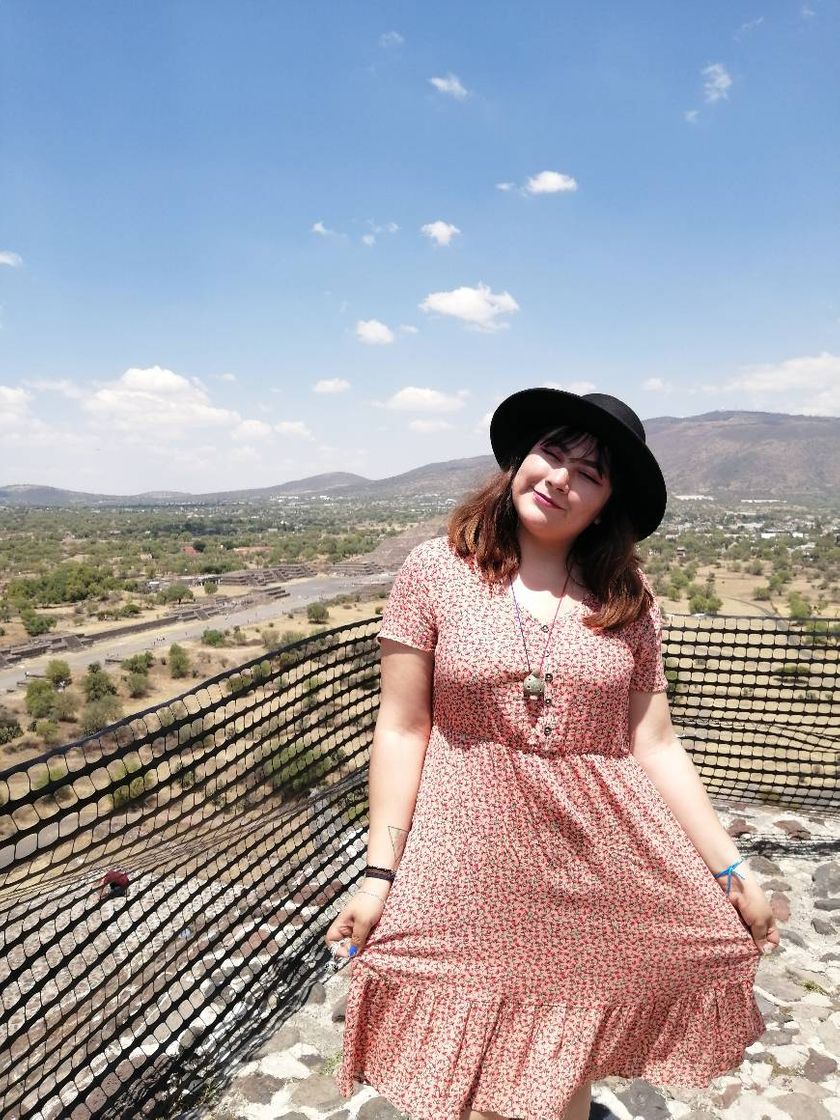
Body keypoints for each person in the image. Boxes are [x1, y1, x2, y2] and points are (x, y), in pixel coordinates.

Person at [327, 387, 779, 1120]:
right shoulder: (436, 571)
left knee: (564, 1063)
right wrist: (381, 876)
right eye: (553, 453)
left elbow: (654, 742)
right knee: (464, 1064)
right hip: (468, 855)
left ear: (606, 504)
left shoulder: (628, 594)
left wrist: (730, 868)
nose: (562, 478)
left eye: (591, 473)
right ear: (518, 462)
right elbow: (402, 729)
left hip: (599, 854)